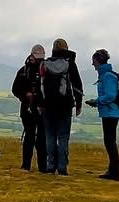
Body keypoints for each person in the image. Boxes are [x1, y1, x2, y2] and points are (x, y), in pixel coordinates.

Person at [38, 37, 82, 176]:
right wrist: (78, 104)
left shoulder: (44, 64)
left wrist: (40, 104)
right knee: (63, 137)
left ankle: (51, 165)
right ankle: (62, 167)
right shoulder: (70, 64)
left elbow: (40, 86)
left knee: (50, 136)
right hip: (65, 105)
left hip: (48, 106)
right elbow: (77, 85)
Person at [85, 48, 119, 181]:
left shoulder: (107, 76)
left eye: (93, 61)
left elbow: (111, 95)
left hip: (110, 112)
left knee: (109, 141)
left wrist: (96, 101)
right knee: (109, 141)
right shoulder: (106, 75)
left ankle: (114, 172)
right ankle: (112, 170)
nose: (92, 64)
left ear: (98, 61)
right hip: (109, 112)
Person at [10, 43, 47, 172]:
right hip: (27, 108)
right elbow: (15, 89)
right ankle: (26, 165)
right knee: (30, 136)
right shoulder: (23, 71)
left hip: (42, 109)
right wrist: (25, 95)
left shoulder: (45, 70)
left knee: (41, 137)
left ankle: (43, 167)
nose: (39, 60)